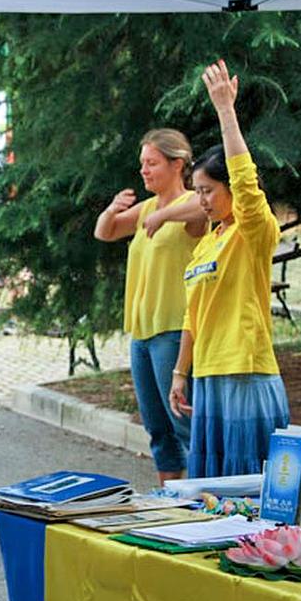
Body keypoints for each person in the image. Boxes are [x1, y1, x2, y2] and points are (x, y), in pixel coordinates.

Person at [169, 60, 290, 478]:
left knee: (250, 485)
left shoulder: (253, 232)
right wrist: (180, 373)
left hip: (246, 371)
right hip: (211, 374)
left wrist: (225, 111)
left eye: (208, 190)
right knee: (214, 487)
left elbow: (246, 180)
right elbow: (192, 314)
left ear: (228, 189)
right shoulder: (208, 242)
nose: (201, 199)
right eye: (197, 191)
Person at [94, 129, 207, 484]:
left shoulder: (193, 202)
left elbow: (202, 209)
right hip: (142, 332)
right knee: (157, 426)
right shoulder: (146, 207)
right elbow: (105, 232)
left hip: (174, 329)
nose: (144, 170)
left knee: (183, 421)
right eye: (142, 163)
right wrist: (112, 209)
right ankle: (170, 497)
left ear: (177, 165)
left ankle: (206, 499)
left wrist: (164, 217)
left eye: (152, 163)